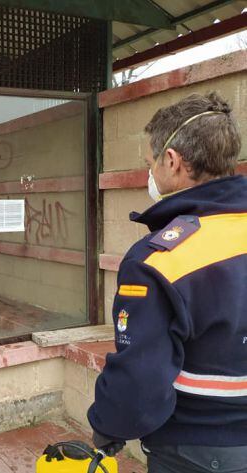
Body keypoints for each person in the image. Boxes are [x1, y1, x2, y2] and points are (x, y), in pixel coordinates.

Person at [88, 92, 247, 472]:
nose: (149, 175)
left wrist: (107, 426)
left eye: (149, 163)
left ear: (172, 162)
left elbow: (140, 382)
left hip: (196, 449)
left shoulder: (158, 259)